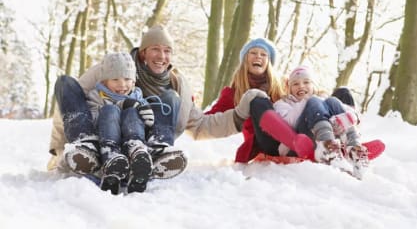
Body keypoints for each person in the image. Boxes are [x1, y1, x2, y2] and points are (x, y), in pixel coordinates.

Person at [47, 25, 266, 179]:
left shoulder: (178, 84)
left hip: (142, 148)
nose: (162, 56)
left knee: (170, 98)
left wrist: (239, 114)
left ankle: (156, 152)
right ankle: (86, 148)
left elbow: (201, 126)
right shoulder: (113, 69)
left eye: (167, 51)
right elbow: (71, 103)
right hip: (103, 139)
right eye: (155, 49)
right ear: (143, 53)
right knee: (66, 83)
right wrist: (59, 149)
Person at [205, 38, 312, 163]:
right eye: (253, 53)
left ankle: (328, 146)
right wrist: (187, 111)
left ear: (268, 61)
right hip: (268, 144)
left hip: (296, 135)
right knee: (256, 99)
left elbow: (302, 99)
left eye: (263, 54)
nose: (258, 57)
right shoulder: (233, 93)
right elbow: (209, 120)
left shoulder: (282, 85)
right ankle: (297, 144)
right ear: (245, 59)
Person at [86, 52, 173, 194]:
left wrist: (147, 117)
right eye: (115, 79)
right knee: (110, 110)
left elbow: (146, 124)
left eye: (127, 79)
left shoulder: (138, 97)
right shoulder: (96, 96)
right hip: (108, 142)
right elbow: (93, 120)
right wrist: (122, 104)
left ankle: (138, 157)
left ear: (134, 81)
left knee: (132, 113)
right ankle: (112, 160)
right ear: (104, 81)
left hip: (131, 141)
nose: (122, 85)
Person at [272, 65, 369, 179]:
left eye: (306, 82)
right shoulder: (282, 103)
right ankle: (326, 147)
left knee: (332, 101)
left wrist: (352, 116)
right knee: (315, 101)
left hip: (329, 135)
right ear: (289, 88)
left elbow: (349, 111)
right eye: (295, 84)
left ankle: (354, 149)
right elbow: (288, 123)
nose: (301, 86)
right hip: (301, 136)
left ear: (313, 85)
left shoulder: (322, 99)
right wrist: (307, 100)